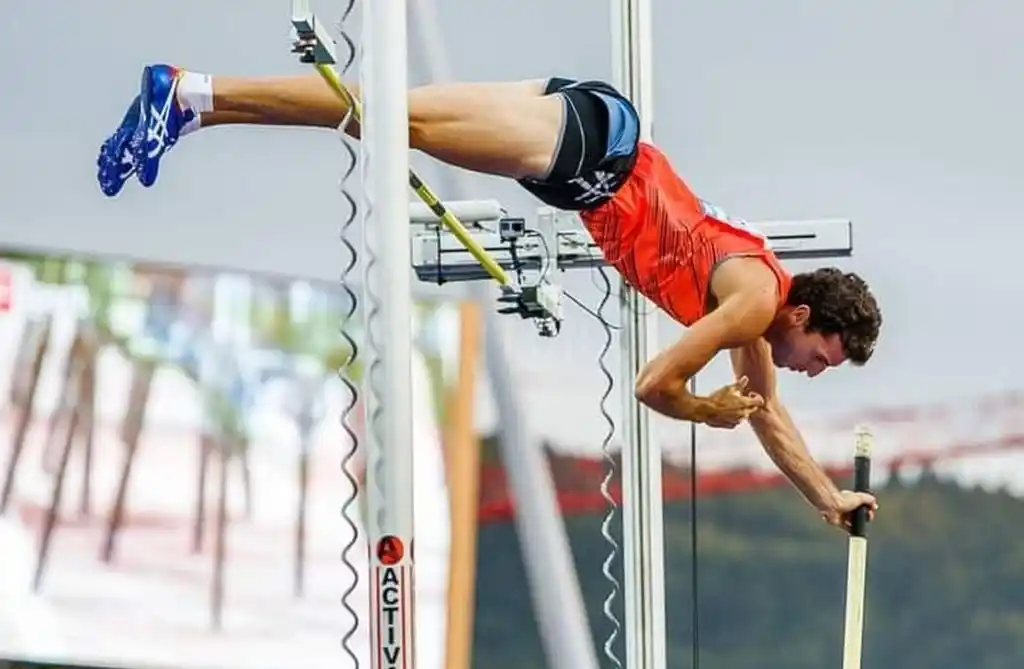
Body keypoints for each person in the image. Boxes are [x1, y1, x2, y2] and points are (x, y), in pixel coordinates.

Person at [98, 65, 881, 530]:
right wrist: (702, 411)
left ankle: (194, 106)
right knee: (388, 117)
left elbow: (770, 416)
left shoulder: (755, 300)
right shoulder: (749, 304)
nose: (812, 371)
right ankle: (188, 91)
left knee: (379, 111)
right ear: (804, 317)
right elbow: (654, 386)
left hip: (593, 138)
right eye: (822, 358)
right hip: (589, 153)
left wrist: (826, 499)